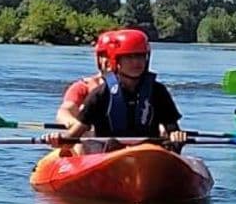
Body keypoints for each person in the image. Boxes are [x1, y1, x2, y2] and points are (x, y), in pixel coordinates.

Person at [48, 28, 186, 154]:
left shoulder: (158, 91)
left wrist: (176, 136)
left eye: (140, 56)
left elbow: (172, 129)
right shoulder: (100, 94)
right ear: (116, 61)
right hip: (107, 151)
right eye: (129, 57)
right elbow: (74, 134)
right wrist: (60, 140)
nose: (136, 63)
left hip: (147, 151)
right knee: (85, 145)